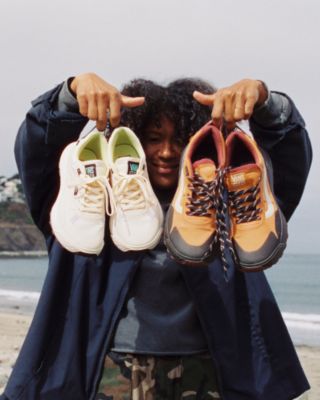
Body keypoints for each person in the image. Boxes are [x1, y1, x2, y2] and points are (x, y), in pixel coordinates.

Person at [0, 73, 312, 400]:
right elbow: (38, 149)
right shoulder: (82, 202)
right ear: (132, 138)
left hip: (209, 369)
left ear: (197, 141)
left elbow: (287, 160)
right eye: (152, 138)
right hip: (111, 369)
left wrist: (265, 102)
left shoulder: (234, 206)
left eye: (179, 139)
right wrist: (70, 93)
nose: (166, 152)